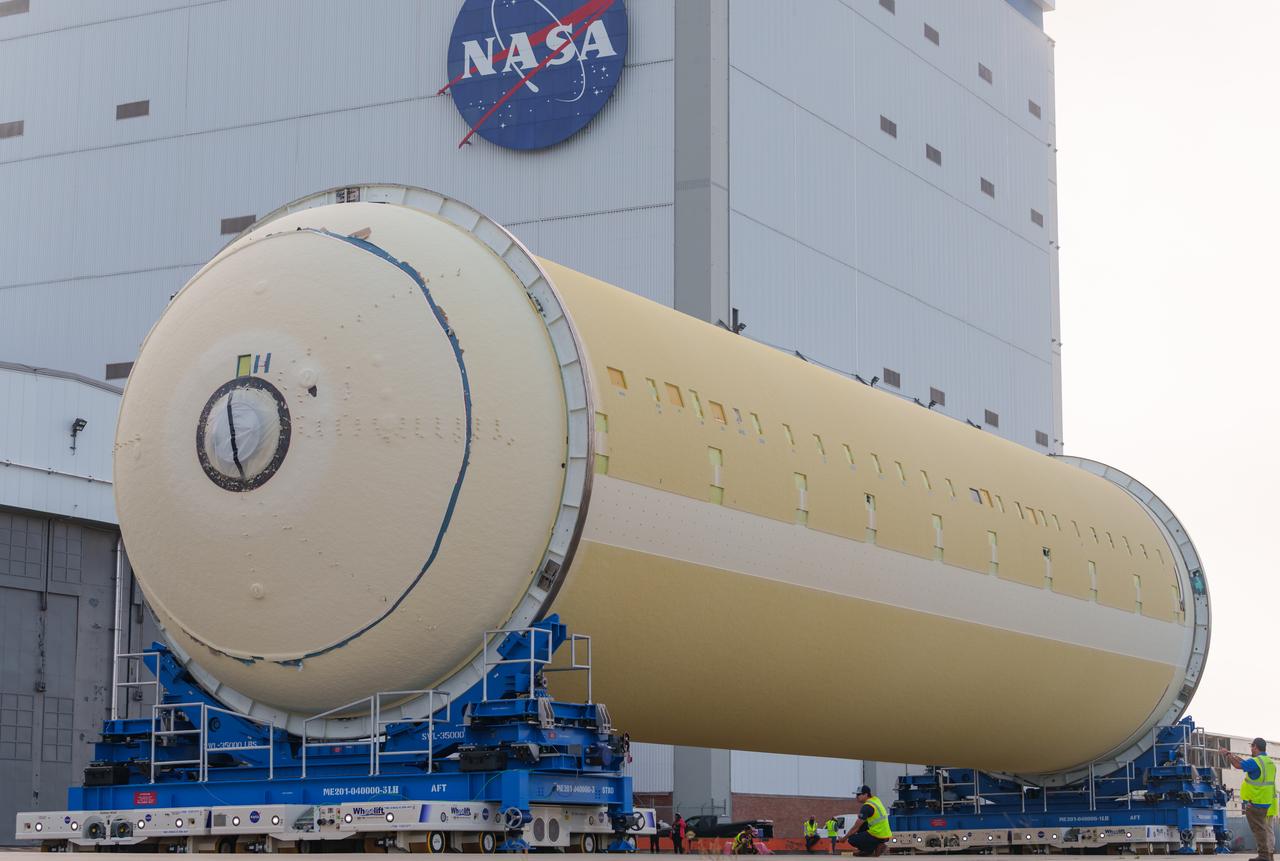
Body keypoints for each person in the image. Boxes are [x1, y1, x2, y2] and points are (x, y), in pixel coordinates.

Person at [1221, 738, 1276, 861]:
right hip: (1266, 802)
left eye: (1251, 746)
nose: (1251, 749)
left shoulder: (1256, 762)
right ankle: (1267, 855)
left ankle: (1263, 856)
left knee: (1259, 830)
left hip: (1255, 802)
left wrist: (1226, 754)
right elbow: (1245, 764)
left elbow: (1237, 765)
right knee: (1263, 829)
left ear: (1255, 747)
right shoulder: (1269, 762)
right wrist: (1231, 754)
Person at [844, 785, 893, 857]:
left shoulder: (867, 806)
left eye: (858, 795)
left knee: (851, 839)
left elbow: (855, 828)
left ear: (866, 794)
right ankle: (870, 848)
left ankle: (870, 850)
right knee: (862, 824)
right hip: (885, 834)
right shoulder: (876, 800)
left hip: (877, 834)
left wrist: (844, 838)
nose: (856, 797)